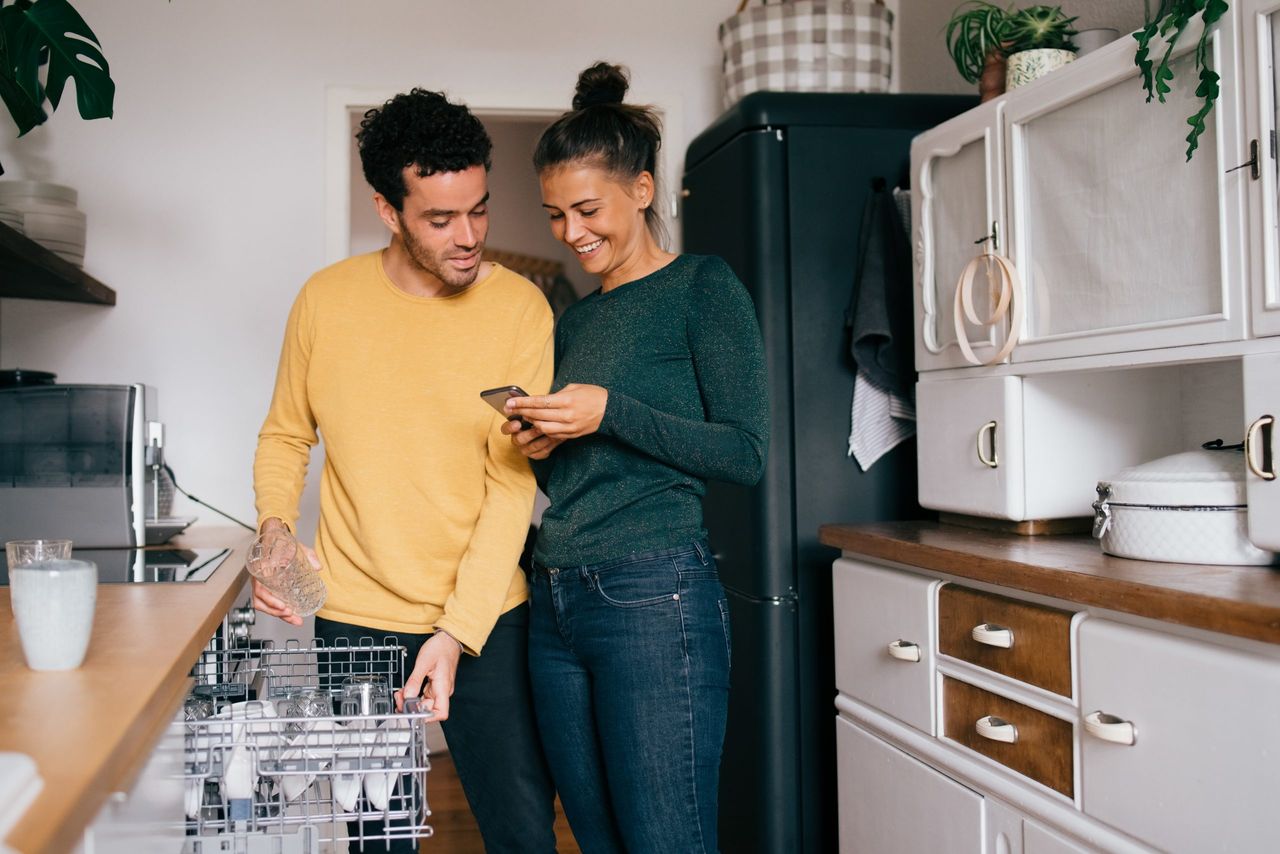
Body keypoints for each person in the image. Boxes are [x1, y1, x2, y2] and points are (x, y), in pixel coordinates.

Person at [252, 88, 557, 853]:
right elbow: (287, 435)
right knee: (376, 839)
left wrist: (456, 632)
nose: (469, 237)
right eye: (440, 218)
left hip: (489, 618)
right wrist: (275, 529)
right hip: (356, 619)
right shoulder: (325, 301)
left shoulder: (522, 309)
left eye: (479, 211)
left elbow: (510, 485)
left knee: (522, 832)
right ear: (388, 209)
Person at [503, 63, 770, 854]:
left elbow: (745, 453)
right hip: (553, 601)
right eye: (554, 215)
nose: (571, 232)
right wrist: (546, 444)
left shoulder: (702, 288)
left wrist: (610, 410)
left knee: (666, 842)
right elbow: (585, 474)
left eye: (587, 209)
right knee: (596, 837)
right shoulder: (573, 321)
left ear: (643, 191)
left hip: (653, 595)